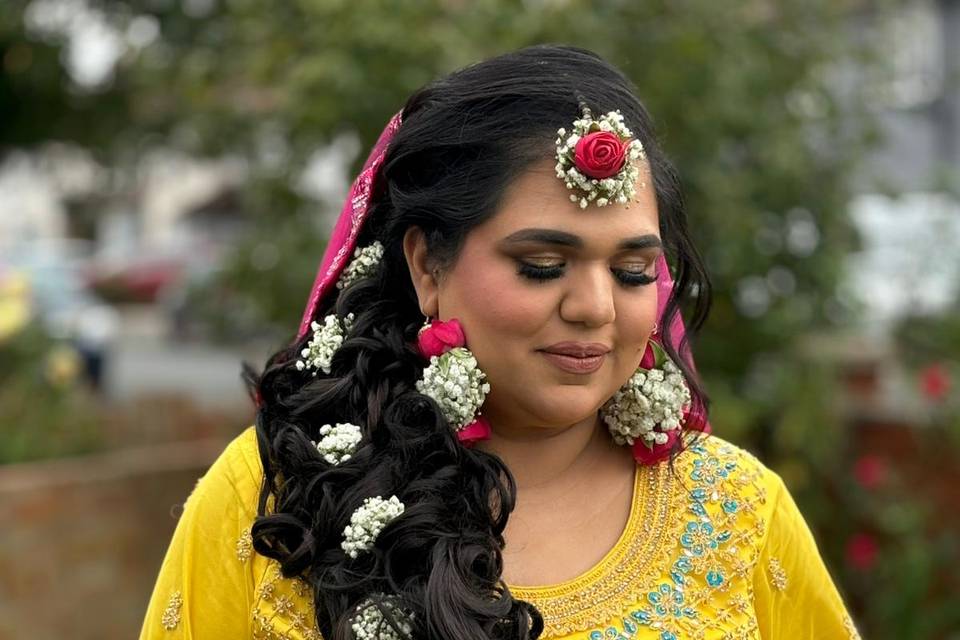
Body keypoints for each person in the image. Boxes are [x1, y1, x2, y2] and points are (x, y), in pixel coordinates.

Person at [140, 44, 860, 640]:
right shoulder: (280, 495)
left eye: (634, 271)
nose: (594, 307)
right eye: (542, 266)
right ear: (427, 265)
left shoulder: (735, 511)